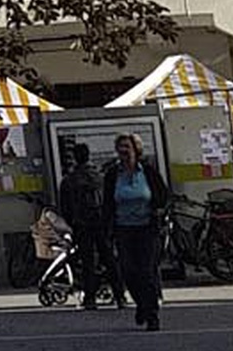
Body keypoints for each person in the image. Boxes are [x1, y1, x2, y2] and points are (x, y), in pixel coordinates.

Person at [103, 134, 168, 331]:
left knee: (146, 271)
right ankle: (141, 303)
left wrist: (158, 209)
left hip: (147, 228)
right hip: (123, 228)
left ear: (135, 149)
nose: (124, 151)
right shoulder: (113, 174)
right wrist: (106, 228)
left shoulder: (147, 172)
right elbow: (108, 202)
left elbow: (163, 195)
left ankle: (152, 314)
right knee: (128, 271)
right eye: (120, 147)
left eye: (127, 147)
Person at [58, 144, 110, 313]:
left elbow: (64, 206)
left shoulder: (70, 180)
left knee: (87, 262)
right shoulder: (99, 176)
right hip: (101, 223)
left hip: (81, 225)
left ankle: (90, 298)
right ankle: (119, 294)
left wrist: (71, 223)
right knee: (108, 258)